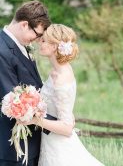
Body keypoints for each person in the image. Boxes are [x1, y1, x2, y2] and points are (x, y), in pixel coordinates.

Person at [23, 24, 105, 166]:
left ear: (54, 46)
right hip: (50, 142)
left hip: (59, 149)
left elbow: (67, 128)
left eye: (43, 41)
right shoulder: (57, 71)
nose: (39, 42)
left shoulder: (61, 77)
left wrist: (35, 120)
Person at [0, 0, 51, 166]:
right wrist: (56, 123)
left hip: (30, 142)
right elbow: (11, 98)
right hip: (13, 146)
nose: (37, 40)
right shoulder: (2, 50)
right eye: (37, 35)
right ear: (24, 25)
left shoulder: (19, 45)